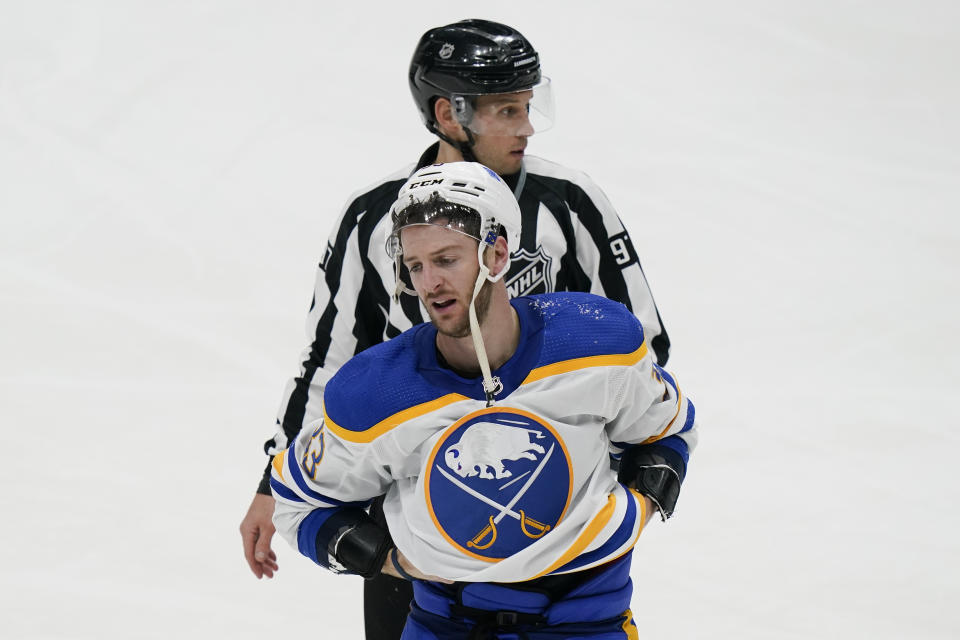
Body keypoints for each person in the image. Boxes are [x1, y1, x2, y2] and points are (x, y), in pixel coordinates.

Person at [239, 18, 687, 640]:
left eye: (529, 106)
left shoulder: (570, 201)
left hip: (550, 505)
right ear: (450, 115)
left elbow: (639, 348)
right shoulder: (374, 217)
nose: (526, 126)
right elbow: (331, 359)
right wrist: (277, 481)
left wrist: (598, 480)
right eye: (507, 109)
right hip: (420, 516)